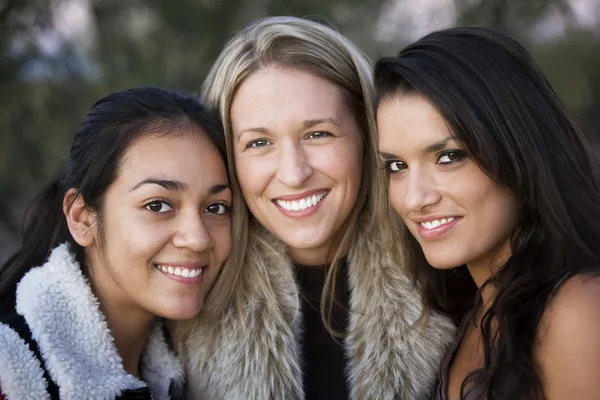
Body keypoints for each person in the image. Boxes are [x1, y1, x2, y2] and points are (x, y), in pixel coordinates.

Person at [173, 16, 455, 400]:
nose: (293, 173)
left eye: (317, 134)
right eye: (259, 143)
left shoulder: (446, 267)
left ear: (365, 135)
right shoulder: (185, 287)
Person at [375, 27, 600, 400]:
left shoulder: (577, 311)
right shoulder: (469, 312)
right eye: (397, 166)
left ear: (517, 153)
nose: (414, 198)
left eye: (448, 157)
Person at [0, 87, 237, 400]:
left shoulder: (189, 376)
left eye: (215, 207)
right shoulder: (8, 373)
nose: (197, 238)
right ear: (82, 217)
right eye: (157, 205)